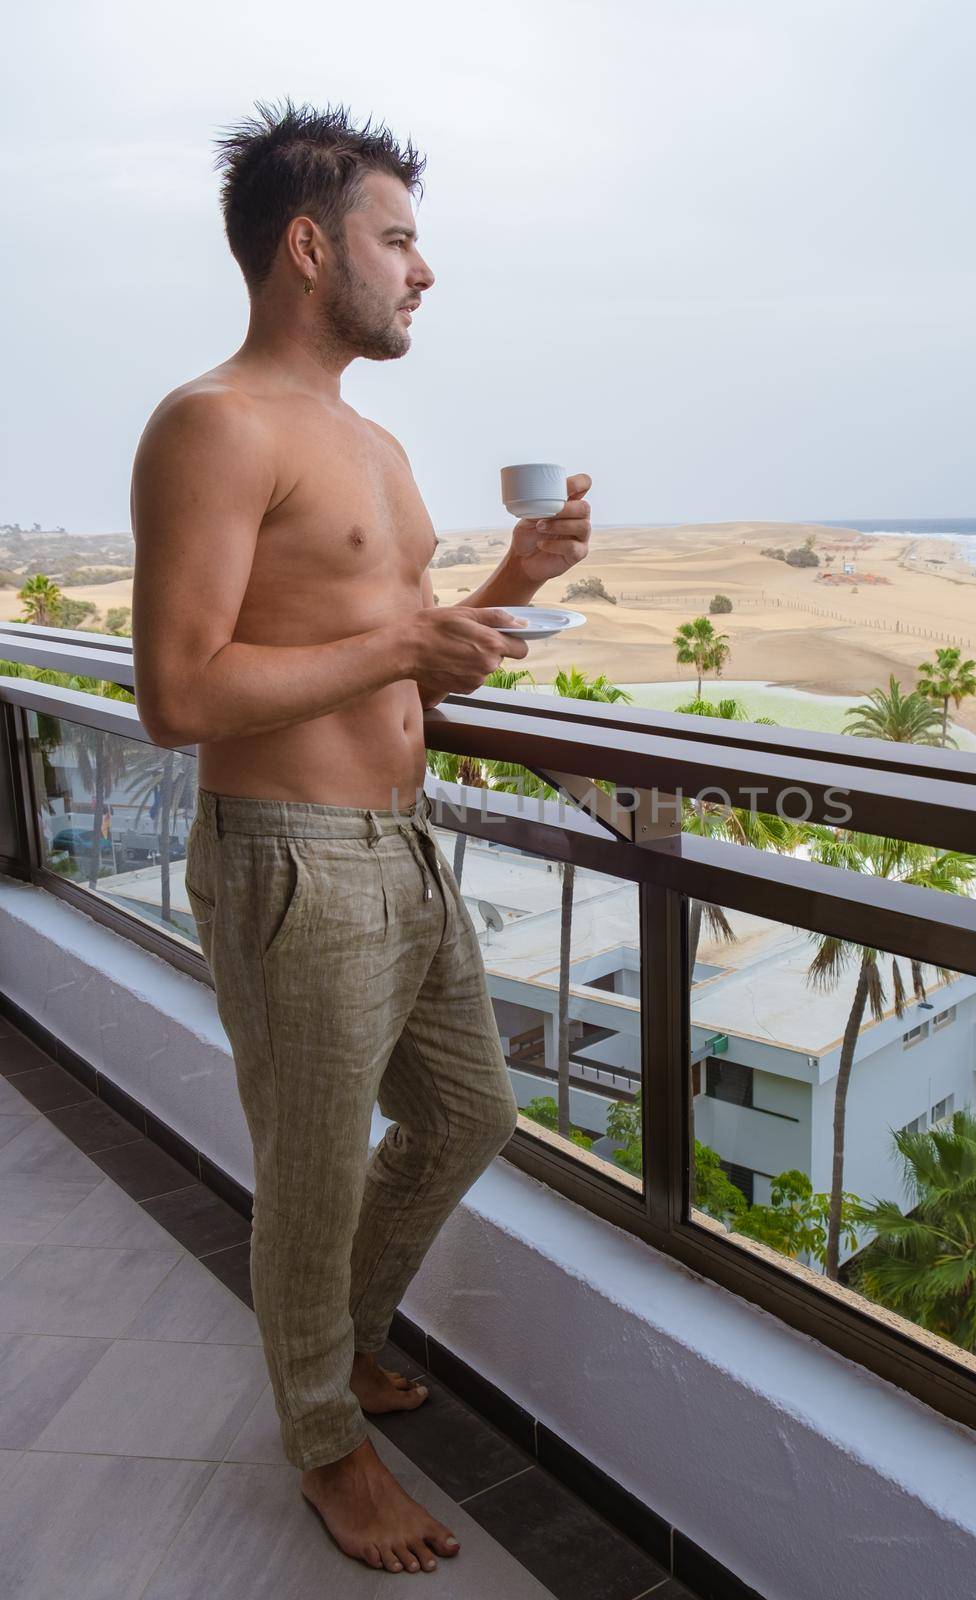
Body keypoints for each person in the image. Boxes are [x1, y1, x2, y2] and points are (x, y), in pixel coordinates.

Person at [129, 98, 592, 1578]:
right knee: (314, 1175)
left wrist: (522, 571)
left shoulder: (375, 444)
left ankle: (342, 1344)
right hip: (287, 854)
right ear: (309, 244)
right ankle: (327, 1443)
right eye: (400, 238)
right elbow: (180, 691)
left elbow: (401, 635)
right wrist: (407, 641)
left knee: (471, 1116)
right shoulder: (213, 424)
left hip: (403, 845)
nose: (423, 270)